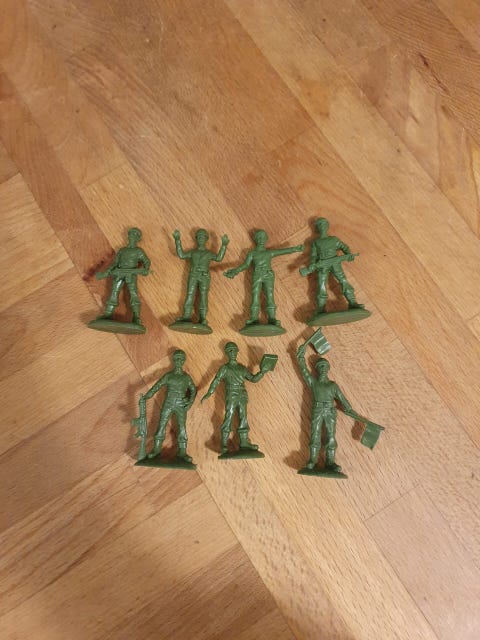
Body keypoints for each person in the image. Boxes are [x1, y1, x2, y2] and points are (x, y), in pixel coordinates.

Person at [202, 342, 270, 455]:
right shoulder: (224, 368)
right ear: (226, 353)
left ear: (237, 352)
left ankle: (244, 443)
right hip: (231, 395)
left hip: (242, 395)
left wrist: (262, 371)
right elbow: (216, 381)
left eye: (234, 350)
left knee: (243, 417)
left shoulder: (241, 368)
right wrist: (209, 393)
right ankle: (224, 444)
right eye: (229, 350)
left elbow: (253, 379)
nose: (232, 352)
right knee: (229, 416)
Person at [224, 229, 303, 327]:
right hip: (257, 275)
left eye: (263, 237)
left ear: (266, 239)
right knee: (255, 295)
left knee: (270, 295)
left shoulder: (269, 252)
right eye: (259, 237)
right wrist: (235, 271)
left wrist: (295, 249)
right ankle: (254, 318)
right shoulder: (252, 253)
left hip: (268, 275)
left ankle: (272, 318)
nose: (261, 239)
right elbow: (245, 265)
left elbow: (281, 251)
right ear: (255, 239)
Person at [143, 350, 197, 462]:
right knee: (161, 425)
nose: (178, 360)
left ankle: (182, 452)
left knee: (182, 427)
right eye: (176, 358)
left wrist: (189, 401)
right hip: (168, 403)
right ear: (173, 360)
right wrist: (147, 396)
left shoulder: (186, 377)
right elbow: (157, 386)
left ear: (184, 361)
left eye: (181, 358)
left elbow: (193, 390)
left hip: (181, 405)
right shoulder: (168, 376)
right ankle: (156, 449)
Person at [173, 228, 229, 326]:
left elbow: (219, 258)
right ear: (196, 239)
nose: (201, 239)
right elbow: (181, 255)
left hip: (204, 276)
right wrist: (177, 240)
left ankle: (203, 318)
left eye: (203, 237)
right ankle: (186, 315)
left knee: (203, 296)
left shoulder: (209, 253)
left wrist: (224, 245)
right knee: (190, 294)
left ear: (206, 239)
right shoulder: (193, 252)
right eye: (199, 237)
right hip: (193, 275)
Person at [98, 227, 150, 324]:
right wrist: (107, 272)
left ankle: (136, 317)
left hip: (131, 274)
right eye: (130, 234)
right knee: (114, 293)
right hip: (119, 274)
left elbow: (146, 261)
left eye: (134, 235)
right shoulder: (122, 250)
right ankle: (108, 314)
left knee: (133, 295)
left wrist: (146, 269)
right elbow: (115, 263)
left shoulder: (138, 251)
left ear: (138, 238)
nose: (131, 237)